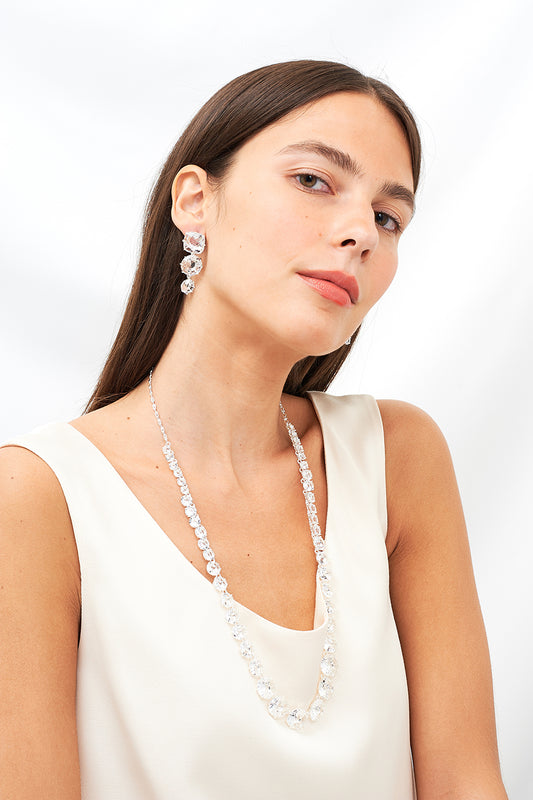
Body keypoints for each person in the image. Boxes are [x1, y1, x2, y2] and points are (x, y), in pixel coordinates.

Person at [0, 60, 508, 799]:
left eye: (387, 218)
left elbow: (467, 783)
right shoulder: (39, 497)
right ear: (195, 200)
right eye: (313, 180)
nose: (359, 233)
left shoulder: (396, 458)